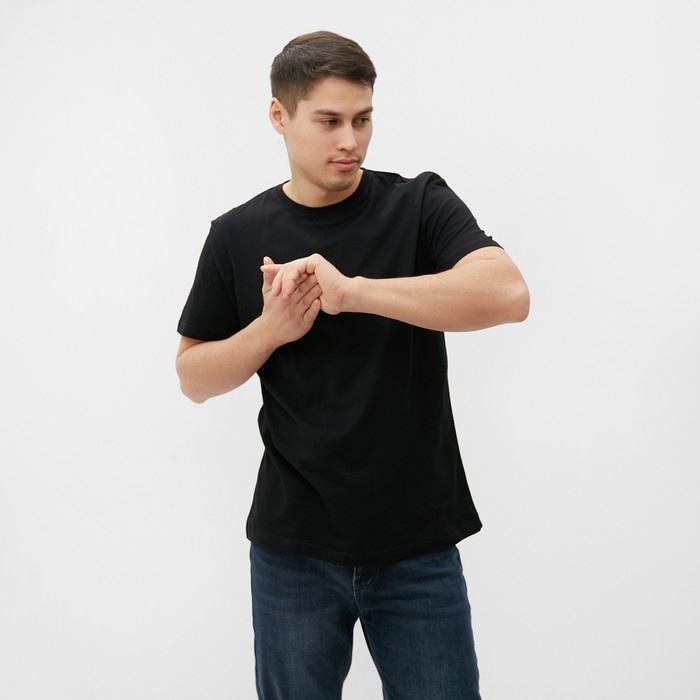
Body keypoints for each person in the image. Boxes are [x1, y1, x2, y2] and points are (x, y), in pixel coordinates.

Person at [176, 30, 529, 700]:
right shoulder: (236, 234)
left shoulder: (418, 204)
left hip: (417, 543)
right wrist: (271, 330)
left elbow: (508, 295)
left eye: (363, 119)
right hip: (293, 552)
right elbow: (193, 378)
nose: (351, 141)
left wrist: (352, 293)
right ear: (279, 116)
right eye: (330, 121)